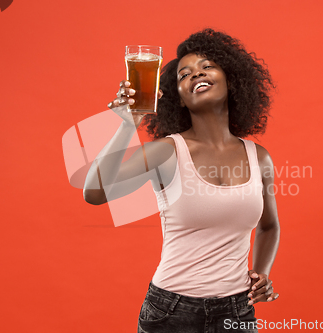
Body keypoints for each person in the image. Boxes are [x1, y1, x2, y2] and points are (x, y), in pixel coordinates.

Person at [83, 28, 280, 333]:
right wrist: (126, 126)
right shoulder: (166, 152)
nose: (196, 75)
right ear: (181, 100)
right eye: (184, 75)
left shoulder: (259, 157)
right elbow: (95, 193)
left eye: (207, 66)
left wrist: (262, 275)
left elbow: (269, 226)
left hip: (237, 313)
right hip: (171, 313)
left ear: (231, 80)